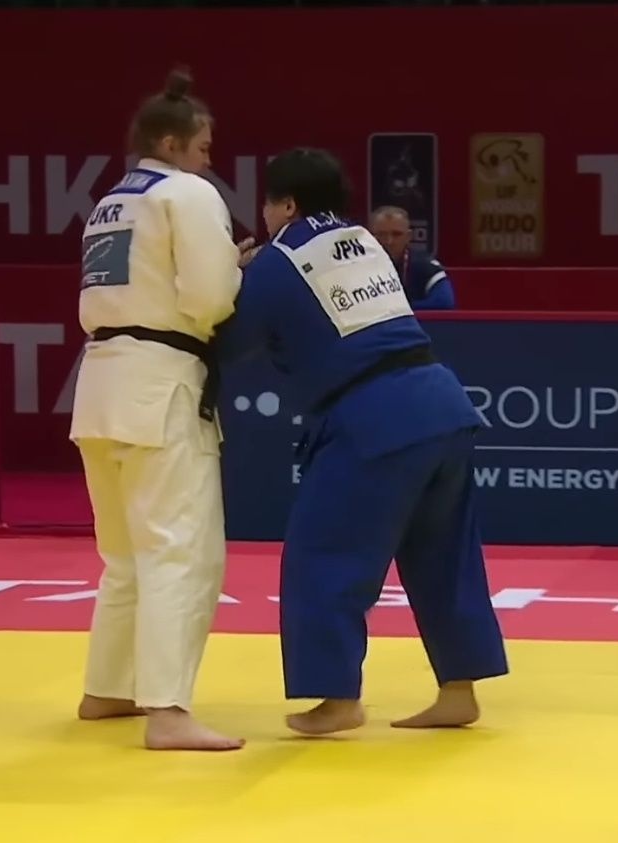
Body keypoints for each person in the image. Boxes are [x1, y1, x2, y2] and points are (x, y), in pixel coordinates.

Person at [216, 149, 508, 736]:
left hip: (376, 420)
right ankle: (459, 690)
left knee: (322, 554)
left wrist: (233, 279)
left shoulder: (279, 260)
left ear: (286, 204)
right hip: (442, 404)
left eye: (268, 203)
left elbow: (230, 342)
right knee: (443, 556)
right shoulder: (364, 242)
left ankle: (337, 698)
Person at [69, 67, 255, 751]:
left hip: (102, 382)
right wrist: (235, 273)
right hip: (161, 385)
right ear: (172, 143)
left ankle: (108, 686)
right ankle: (169, 710)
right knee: (180, 549)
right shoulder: (188, 192)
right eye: (203, 146)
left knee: (124, 554)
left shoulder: (111, 202)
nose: (209, 158)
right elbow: (208, 299)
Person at [369, 205, 456, 310]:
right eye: (381, 234)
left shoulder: (426, 266)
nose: (389, 241)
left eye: (397, 234)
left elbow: (444, 303)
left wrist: (395, 309)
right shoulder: (356, 266)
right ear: (369, 236)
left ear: (408, 237)